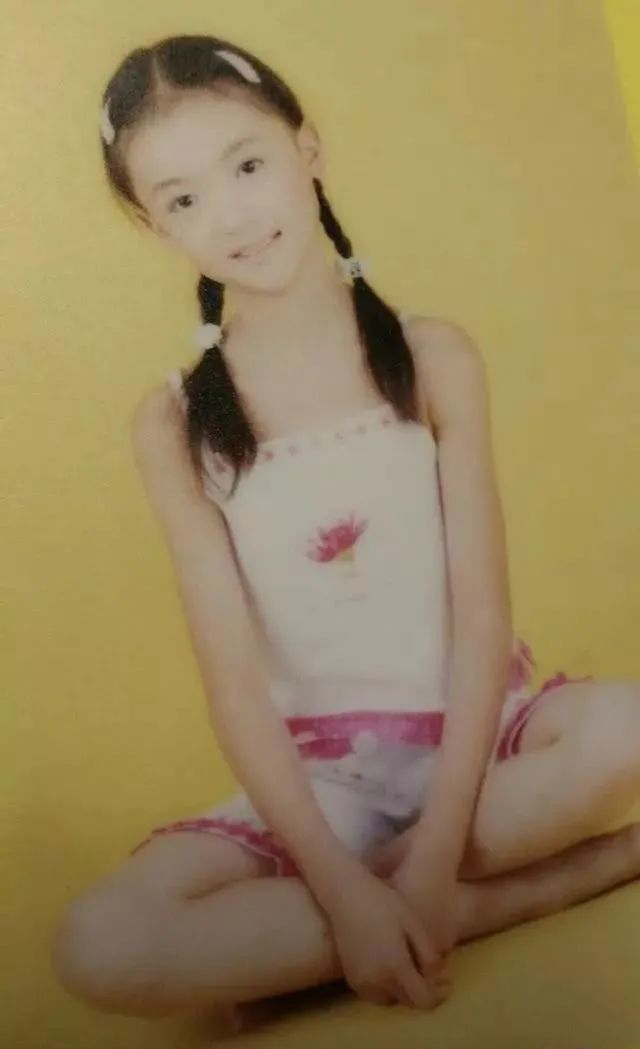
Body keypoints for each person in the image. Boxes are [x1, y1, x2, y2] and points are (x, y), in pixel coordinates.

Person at [52, 34, 640, 1029]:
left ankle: (373, 920)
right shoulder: (175, 423)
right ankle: (537, 886)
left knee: (628, 727)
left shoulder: (431, 356)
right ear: (153, 226)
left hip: (484, 748)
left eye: (247, 165)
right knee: (97, 945)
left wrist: (436, 848)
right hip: (326, 788)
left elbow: (482, 614)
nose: (232, 214)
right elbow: (235, 687)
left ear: (307, 149)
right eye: (183, 199)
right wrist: (338, 882)